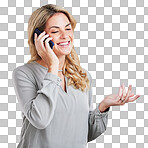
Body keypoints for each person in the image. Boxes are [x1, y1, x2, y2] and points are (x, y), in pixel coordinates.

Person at [12, 4, 140, 148]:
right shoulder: (24, 73)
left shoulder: (82, 75)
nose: (65, 36)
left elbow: (84, 134)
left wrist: (103, 107)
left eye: (68, 28)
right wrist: (53, 66)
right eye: (55, 31)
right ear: (39, 37)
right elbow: (40, 119)